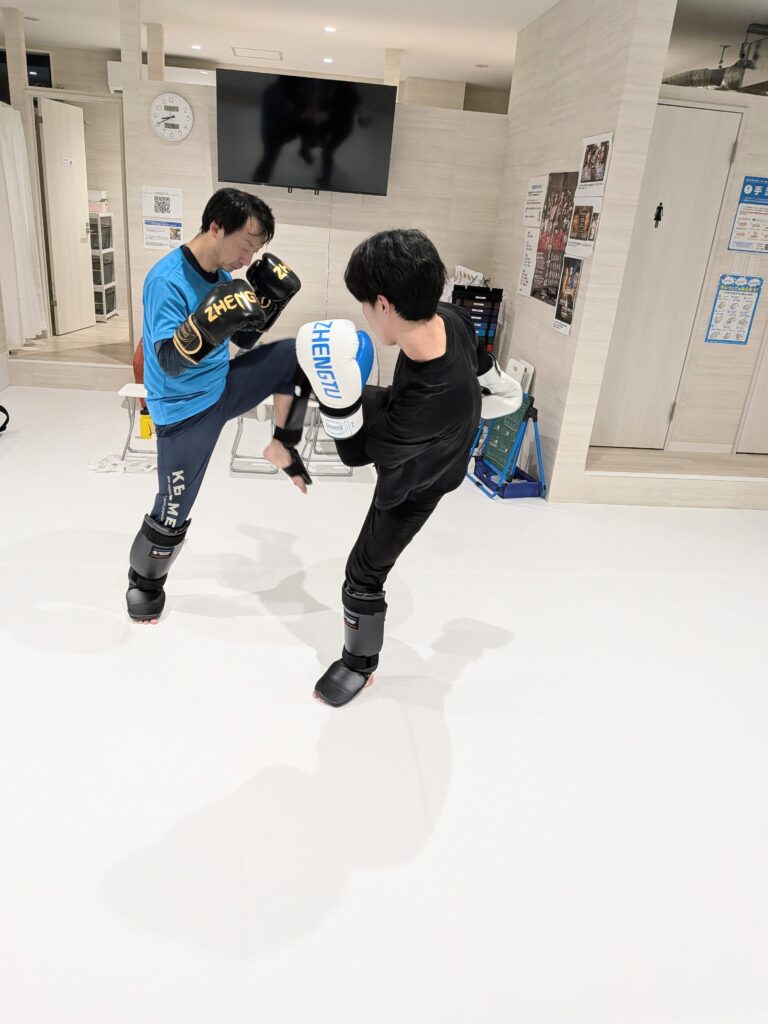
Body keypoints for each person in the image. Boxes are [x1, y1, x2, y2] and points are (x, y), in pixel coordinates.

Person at [296, 228, 522, 706]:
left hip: (419, 479)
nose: (363, 313)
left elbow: (356, 454)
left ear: (384, 304)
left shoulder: (431, 401)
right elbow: (481, 364)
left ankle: (358, 665)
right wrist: (498, 391)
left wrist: (336, 400)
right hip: (426, 421)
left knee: (363, 572)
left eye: (363, 303)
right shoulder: (450, 317)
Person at [126, 187, 312, 624]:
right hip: (183, 411)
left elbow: (240, 339)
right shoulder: (166, 280)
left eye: (255, 251)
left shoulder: (223, 277)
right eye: (245, 246)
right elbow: (167, 361)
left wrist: (266, 305)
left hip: (222, 386)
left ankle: (282, 445)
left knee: (296, 353)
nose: (247, 259)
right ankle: (145, 582)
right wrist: (208, 320)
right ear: (215, 227)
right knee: (173, 509)